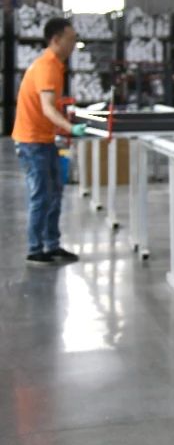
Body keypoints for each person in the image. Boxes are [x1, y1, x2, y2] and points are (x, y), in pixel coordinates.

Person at [14, 17, 88, 265]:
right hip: (32, 142)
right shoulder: (46, 67)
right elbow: (47, 108)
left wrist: (63, 126)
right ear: (56, 40)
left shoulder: (56, 65)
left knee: (55, 192)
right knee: (41, 195)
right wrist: (70, 128)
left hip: (44, 139)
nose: (74, 43)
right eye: (71, 39)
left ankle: (52, 244)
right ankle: (35, 249)